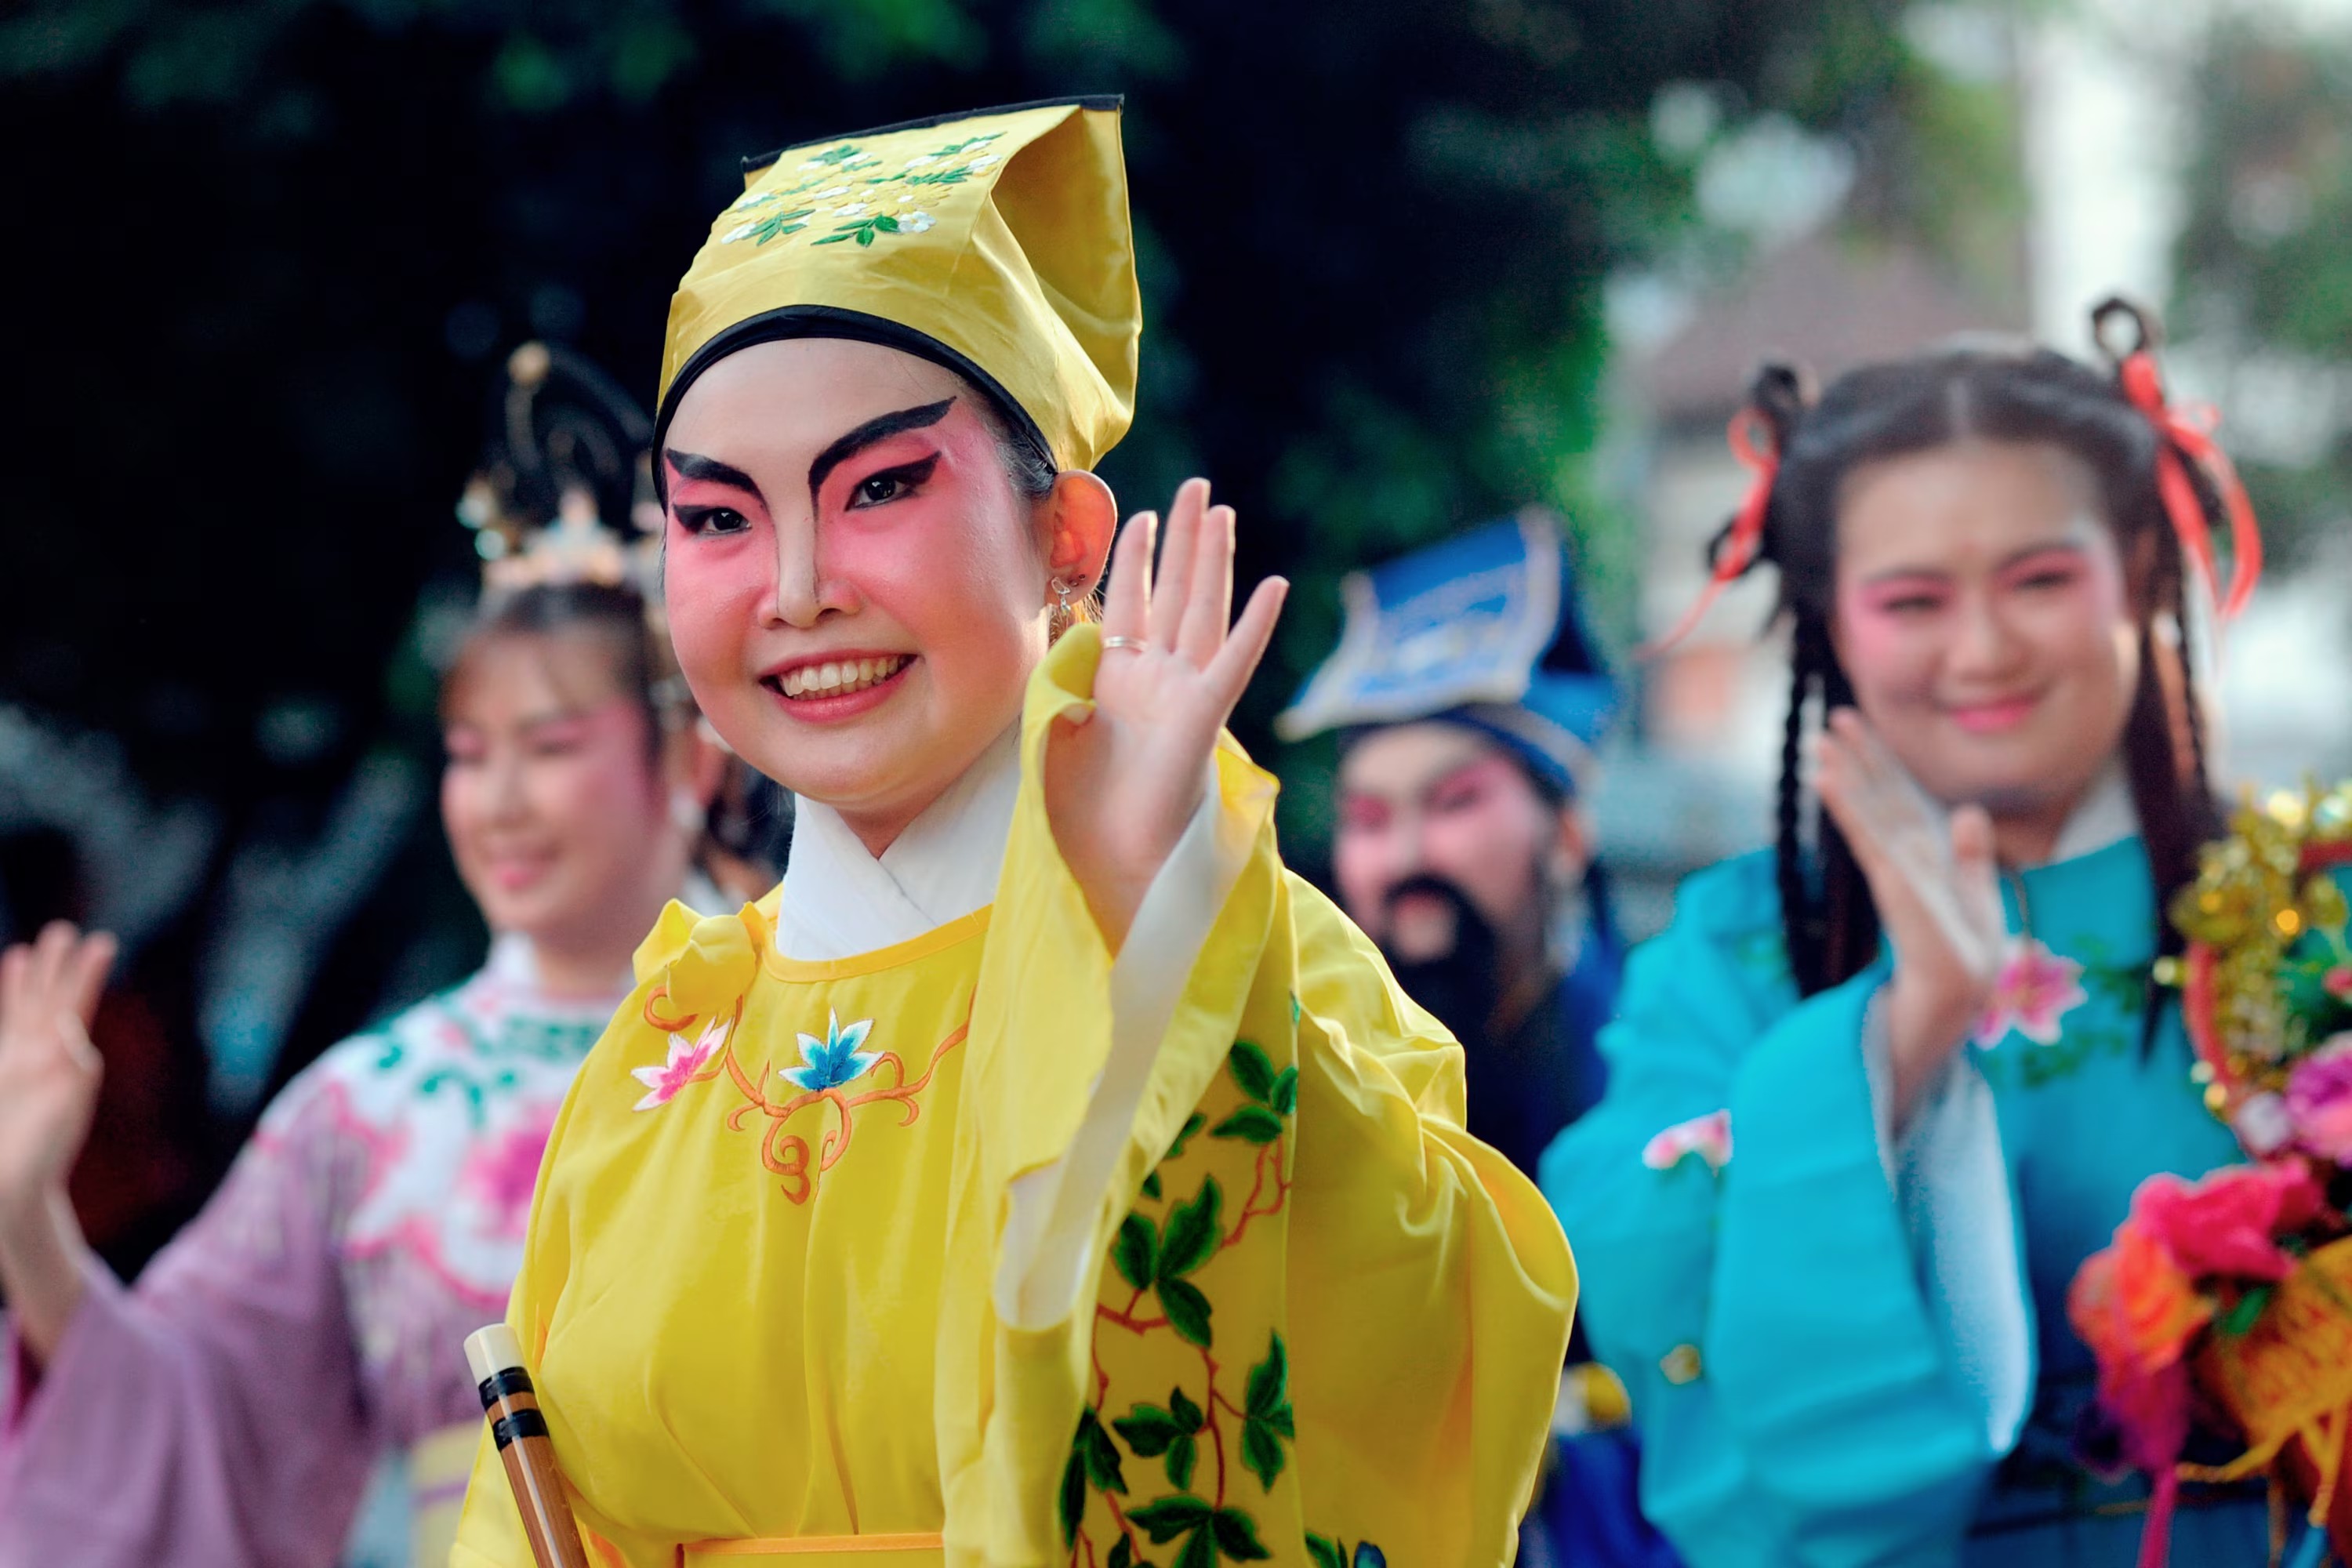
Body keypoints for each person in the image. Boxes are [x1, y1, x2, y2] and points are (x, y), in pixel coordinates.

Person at [452, 97, 1575, 1568]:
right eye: (718, 518)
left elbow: (1413, 1380)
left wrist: (1141, 933)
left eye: (882, 489)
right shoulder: (669, 1040)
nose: (795, 589)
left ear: (1070, 540)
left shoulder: (1247, 950)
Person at [1540, 299, 2285, 1566]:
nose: (1983, 649)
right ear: (1833, 617)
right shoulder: (1743, 950)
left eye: (2041, 580)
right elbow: (1630, 1244)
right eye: (1914, 600)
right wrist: (1890, 1042)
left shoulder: (2300, 913)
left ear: (2143, 568)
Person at [0, 350, 735, 1568]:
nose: (498, 799)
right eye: (465, 752)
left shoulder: (812, 1020)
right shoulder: (369, 1105)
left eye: (549, 745)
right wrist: (27, 1219)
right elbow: (198, 1416)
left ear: (691, 762)